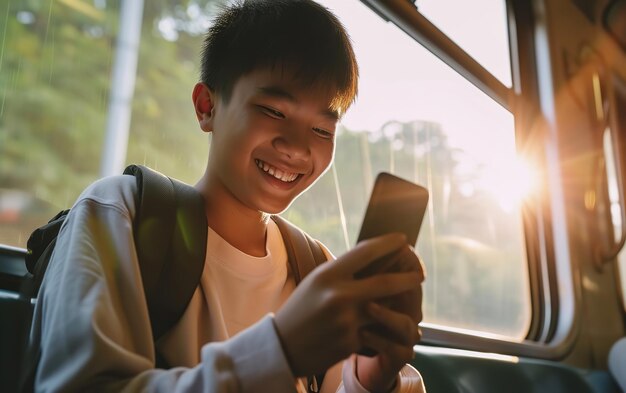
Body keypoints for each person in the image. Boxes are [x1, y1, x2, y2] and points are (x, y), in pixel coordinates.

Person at [29, 0, 427, 392]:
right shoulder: (124, 212)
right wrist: (281, 350)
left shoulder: (315, 267)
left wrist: (371, 382)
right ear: (207, 106)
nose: (297, 148)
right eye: (274, 111)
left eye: (322, 131)